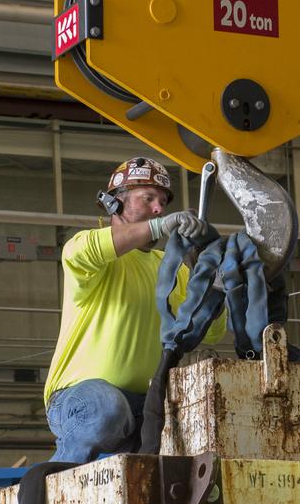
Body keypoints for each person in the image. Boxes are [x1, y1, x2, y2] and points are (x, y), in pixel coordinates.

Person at [43, 156, 224, 463]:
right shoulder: (89, 253)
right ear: (115, 203)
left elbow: (214, 329)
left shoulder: (170, 269)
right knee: (106, 408)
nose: (158, 208)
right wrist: (161, 226)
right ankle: (60, 478)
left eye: (163, 203)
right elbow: (88, 250)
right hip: (79, 400)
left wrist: (206, 273)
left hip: (146, 406)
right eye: (148, 198)